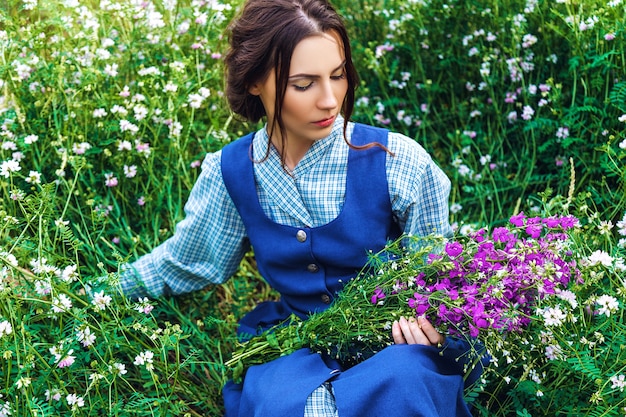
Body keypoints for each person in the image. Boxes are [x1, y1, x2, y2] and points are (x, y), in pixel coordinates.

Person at [121, 0, 485, 415]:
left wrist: (435, 329)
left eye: (338, 75)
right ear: (256, 82)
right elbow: (186, 262)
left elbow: (441, 276)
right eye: (304, 83)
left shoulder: (399, 161)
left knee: (403, 388)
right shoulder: (233, 171)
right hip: (298, 343)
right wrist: (99, 295)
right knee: (299, 405)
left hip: (397, 345)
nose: (330, 101)